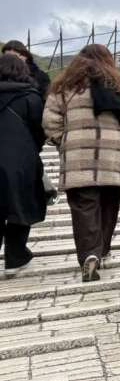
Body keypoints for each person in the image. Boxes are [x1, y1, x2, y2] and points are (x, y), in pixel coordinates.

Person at [43, 44, 120, 282]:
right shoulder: (119, 85)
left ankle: (90, 254)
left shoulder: (64, 87)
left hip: (78, 157)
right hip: (113, 156)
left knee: (84, 207)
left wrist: (64, 141)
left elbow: (50, 121)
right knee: (109, 204)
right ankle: (103, 250)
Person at [0, 54, 47, 276]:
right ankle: (15, 257)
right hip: (20, 161)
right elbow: (40, 131)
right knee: (21, 207)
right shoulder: (31, 97)